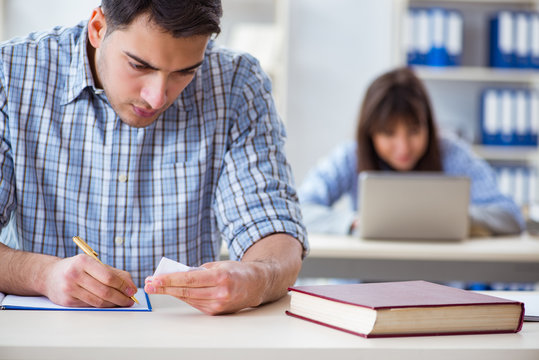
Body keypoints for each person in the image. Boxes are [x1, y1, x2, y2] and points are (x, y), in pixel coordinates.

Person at [0, 0, 308, 315]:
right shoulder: (11, 73)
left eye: (185, 72)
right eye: (140, 65)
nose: (157, 97)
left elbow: (269, 223)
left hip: (185, 341)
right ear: (97, 28)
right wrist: (41, 274)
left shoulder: (236, 83)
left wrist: (257, 276)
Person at [299, 67, 524, 236]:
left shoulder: (452, 153)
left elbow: (511, 216)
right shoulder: (351, 156)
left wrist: (457, 217)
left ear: (429, 125)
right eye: (388, 133)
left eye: (414, 131)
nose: (403, 147)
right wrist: (352, 223)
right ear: (370, 133)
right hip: (363, 287)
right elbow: (298, 210)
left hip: (437, 290)